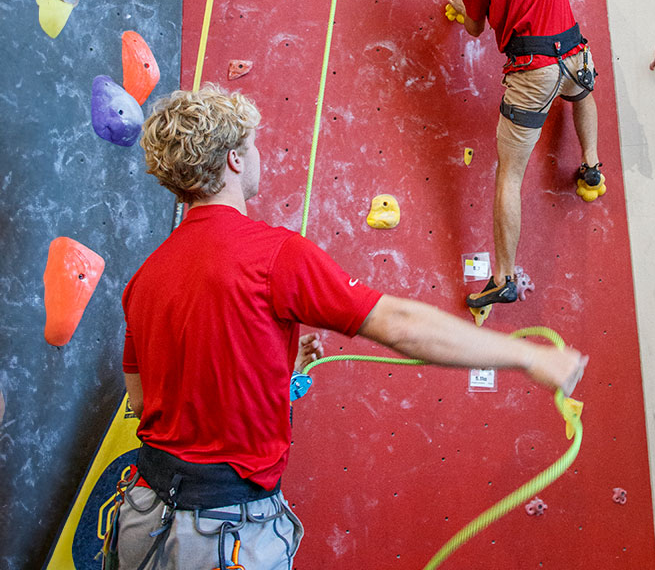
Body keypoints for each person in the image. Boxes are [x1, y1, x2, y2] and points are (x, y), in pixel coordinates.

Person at [115, 85, 587, 570]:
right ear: (234, 160)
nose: (258, 156)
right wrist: (529, 357)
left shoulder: (145, 277)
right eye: (253, 146)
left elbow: (144, 401)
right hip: (218, 532)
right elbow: (398, 324)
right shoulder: (273, 254)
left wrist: (272, 369)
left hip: (143, 519)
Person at [430, 0, 603, 311]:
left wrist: (460, 2)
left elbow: (474, 28)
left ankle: (504, 278)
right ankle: (592, 166)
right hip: (574, 52)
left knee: (509, 174)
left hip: (533, 73)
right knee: (581, 95)